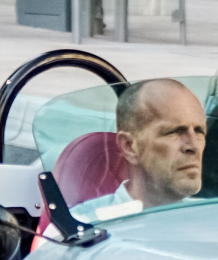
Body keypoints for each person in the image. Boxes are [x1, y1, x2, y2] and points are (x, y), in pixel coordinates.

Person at [82, 79, 210, 219]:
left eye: (199, 131)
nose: (193, 146)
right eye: (174, 132)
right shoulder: (82, 228)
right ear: (129, 146)